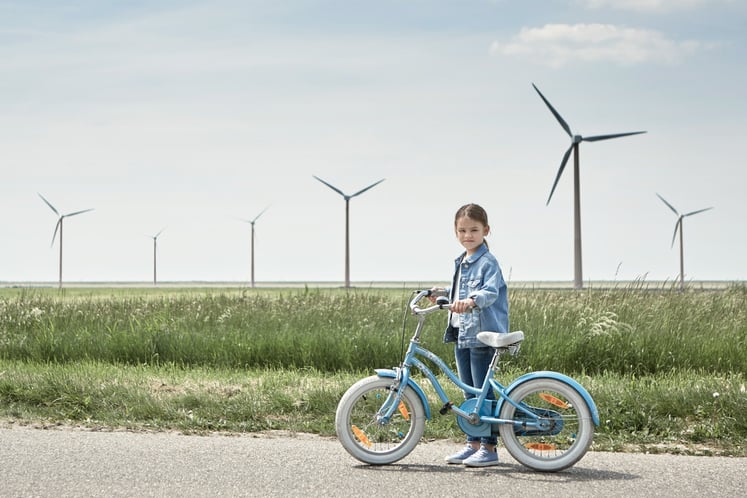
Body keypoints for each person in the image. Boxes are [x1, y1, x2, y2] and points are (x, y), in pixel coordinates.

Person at [429, 203, 509, 467]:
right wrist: (440, 295)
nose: (468, 235)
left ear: (486, 230)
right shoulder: (461, 262)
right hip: (461, 333)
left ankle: (489, 448)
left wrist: (472, 300)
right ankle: (472, 443)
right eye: (462, 230)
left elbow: (490, 292)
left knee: (482, 392)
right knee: (468, 392)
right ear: (455, 232)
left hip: (482, 335)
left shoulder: (488, 262)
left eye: (474, 230)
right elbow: (456, 294)